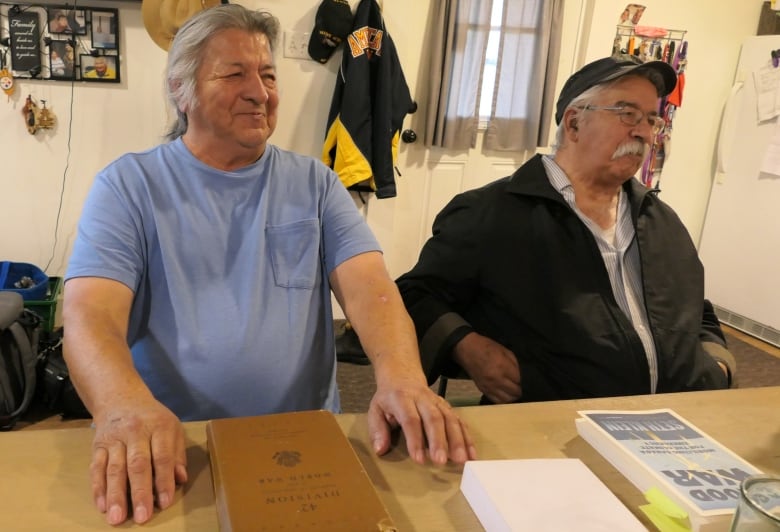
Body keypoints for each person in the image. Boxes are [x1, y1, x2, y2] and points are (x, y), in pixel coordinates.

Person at [63, 4, 475, 527]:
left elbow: (371, 287)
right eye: (234, 73)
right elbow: (89, 315)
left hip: (306, 437)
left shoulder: (315, 184)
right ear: (180, 90)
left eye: (268, 74)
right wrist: (120, 407)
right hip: (177, 443)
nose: (260, 91)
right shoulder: (128, 187)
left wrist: (403, 379)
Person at [396, 54, 736, 406]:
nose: (645, 132)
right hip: (555, 428)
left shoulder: (661, 220)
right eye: (627, 114)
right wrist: (468, 347)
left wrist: (718, 366)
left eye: (652, 119)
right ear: (573, 124)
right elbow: (414, 295)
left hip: (676, 425)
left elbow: (696, 311)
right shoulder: (491, 213)